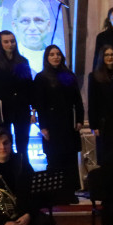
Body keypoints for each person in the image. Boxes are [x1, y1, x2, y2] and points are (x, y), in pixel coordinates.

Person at [33, 44, 84, 200]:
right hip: (52, 124)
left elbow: (77, 100)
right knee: (55, 158)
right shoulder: (41, 78)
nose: (56, 57)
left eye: (58, 54)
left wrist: (80, 120)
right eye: (52, 54)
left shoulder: (69, 75)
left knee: (70, 159)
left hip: (69, 123)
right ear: (47, 58)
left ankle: (70, 192)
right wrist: (43, 127)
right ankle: (55, 193)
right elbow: (39, 105)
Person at [0, 30, 34, 160]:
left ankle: (24, 169)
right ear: (0, 44)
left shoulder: (23, 61)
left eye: (12, 41)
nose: (10, 44)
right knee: (4, 142)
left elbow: (29, 86)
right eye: (6, 42)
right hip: (1, 108)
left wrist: (33, 110)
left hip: (21, 107)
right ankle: (7, 169)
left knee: (23, 142)